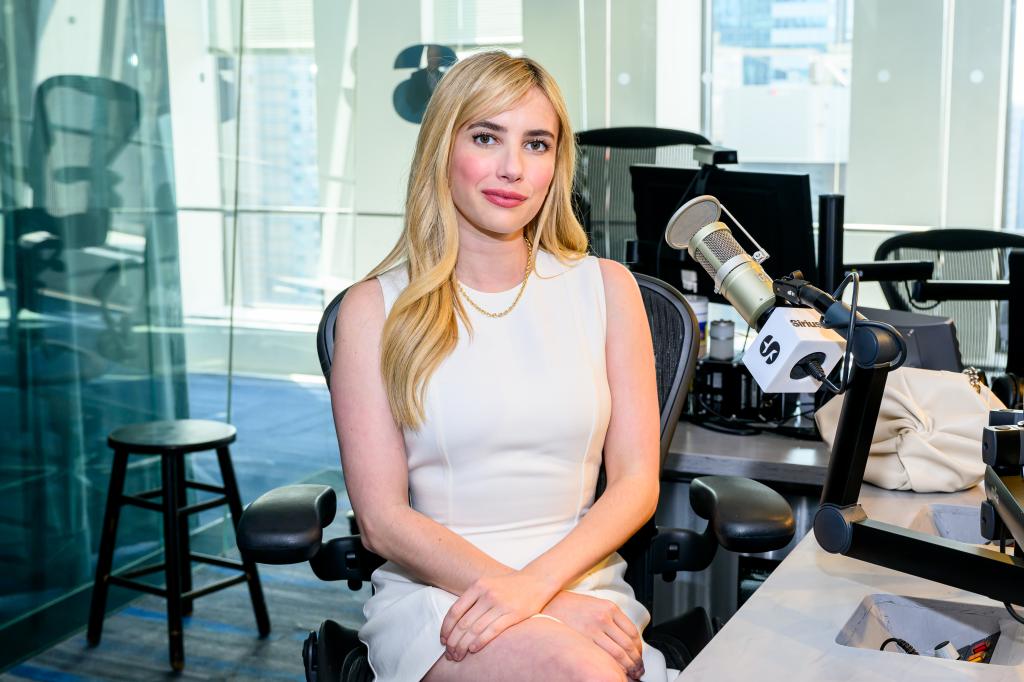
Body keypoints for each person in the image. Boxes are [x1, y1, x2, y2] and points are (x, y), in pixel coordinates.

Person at [332, 51, 672, 682]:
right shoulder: (374, 308)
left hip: (584, 585)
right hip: (439, 591)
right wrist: (534, 600)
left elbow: (636, 485)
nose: (513, 168)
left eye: (536, 144)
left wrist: (543, 592)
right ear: (443, 148)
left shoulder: (608, 288)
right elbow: (381, 521)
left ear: (555, 164)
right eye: (487, 137)